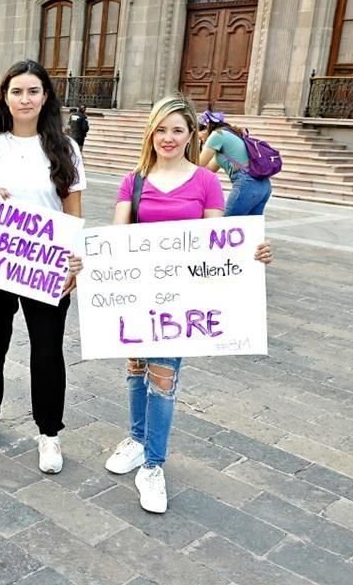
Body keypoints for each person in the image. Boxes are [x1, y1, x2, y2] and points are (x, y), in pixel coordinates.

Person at [103, 96, 272, 514]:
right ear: (150, 132)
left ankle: (154, 464)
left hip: (183, 298)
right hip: (138, 293)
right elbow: (117, 236)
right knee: (136, 369)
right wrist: (93, 258)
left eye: (177, 130)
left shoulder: (205, 182)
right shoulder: (134, 181)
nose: (168, 138)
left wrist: (251, 253)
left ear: (192, 134)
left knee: (163, 377)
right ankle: (137, 440)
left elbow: (218, 242)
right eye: (161, 129)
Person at [0, 60, 84, 474]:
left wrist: (73, 262)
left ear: (46, 96)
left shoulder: (65, 148)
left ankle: (49, 433)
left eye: (33, 91)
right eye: (17, 91)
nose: (25, 99)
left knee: (47, 350)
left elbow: (73, 209)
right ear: (5, 96)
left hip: (46, 263)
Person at [197, 111, 272, 216]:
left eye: (198, 134)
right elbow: (209, 169)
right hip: (264, 185)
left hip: (247, 184)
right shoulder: (230, 136)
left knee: (227, 225)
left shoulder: (217, 135)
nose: (199, 139)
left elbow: (198, 164)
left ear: (206, 128)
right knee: (250, 229)